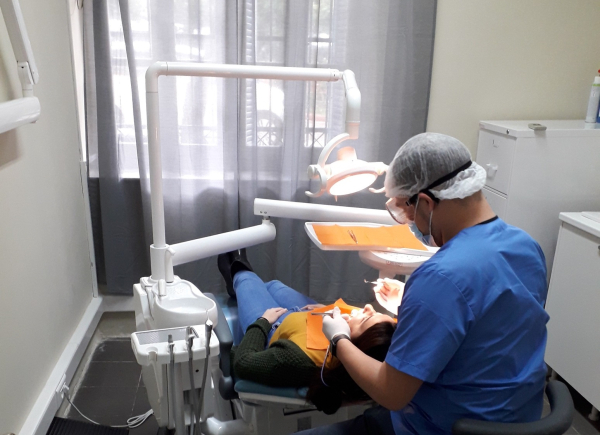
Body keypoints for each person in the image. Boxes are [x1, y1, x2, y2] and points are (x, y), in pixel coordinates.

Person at [299, 132, 549, 434]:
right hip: (514, 419)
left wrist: (339, 339)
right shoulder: (526, 246)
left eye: (406, 211)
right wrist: (411, 302)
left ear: (427, 203)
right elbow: (493, 326)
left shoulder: (440, 277)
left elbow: (391, 393)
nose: (410, 222)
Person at [217, 249, 397, 414]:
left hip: (276, 327)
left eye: (366, 318)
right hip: (307, 317)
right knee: (273, 286)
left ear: (354, 346)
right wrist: (326, 309)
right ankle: (246, 283)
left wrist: (262, 323)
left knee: (246, 278)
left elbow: (243, 363)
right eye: (376, 312)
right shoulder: (384, 337)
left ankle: (238, 273)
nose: (367, 307)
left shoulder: (298, 360)